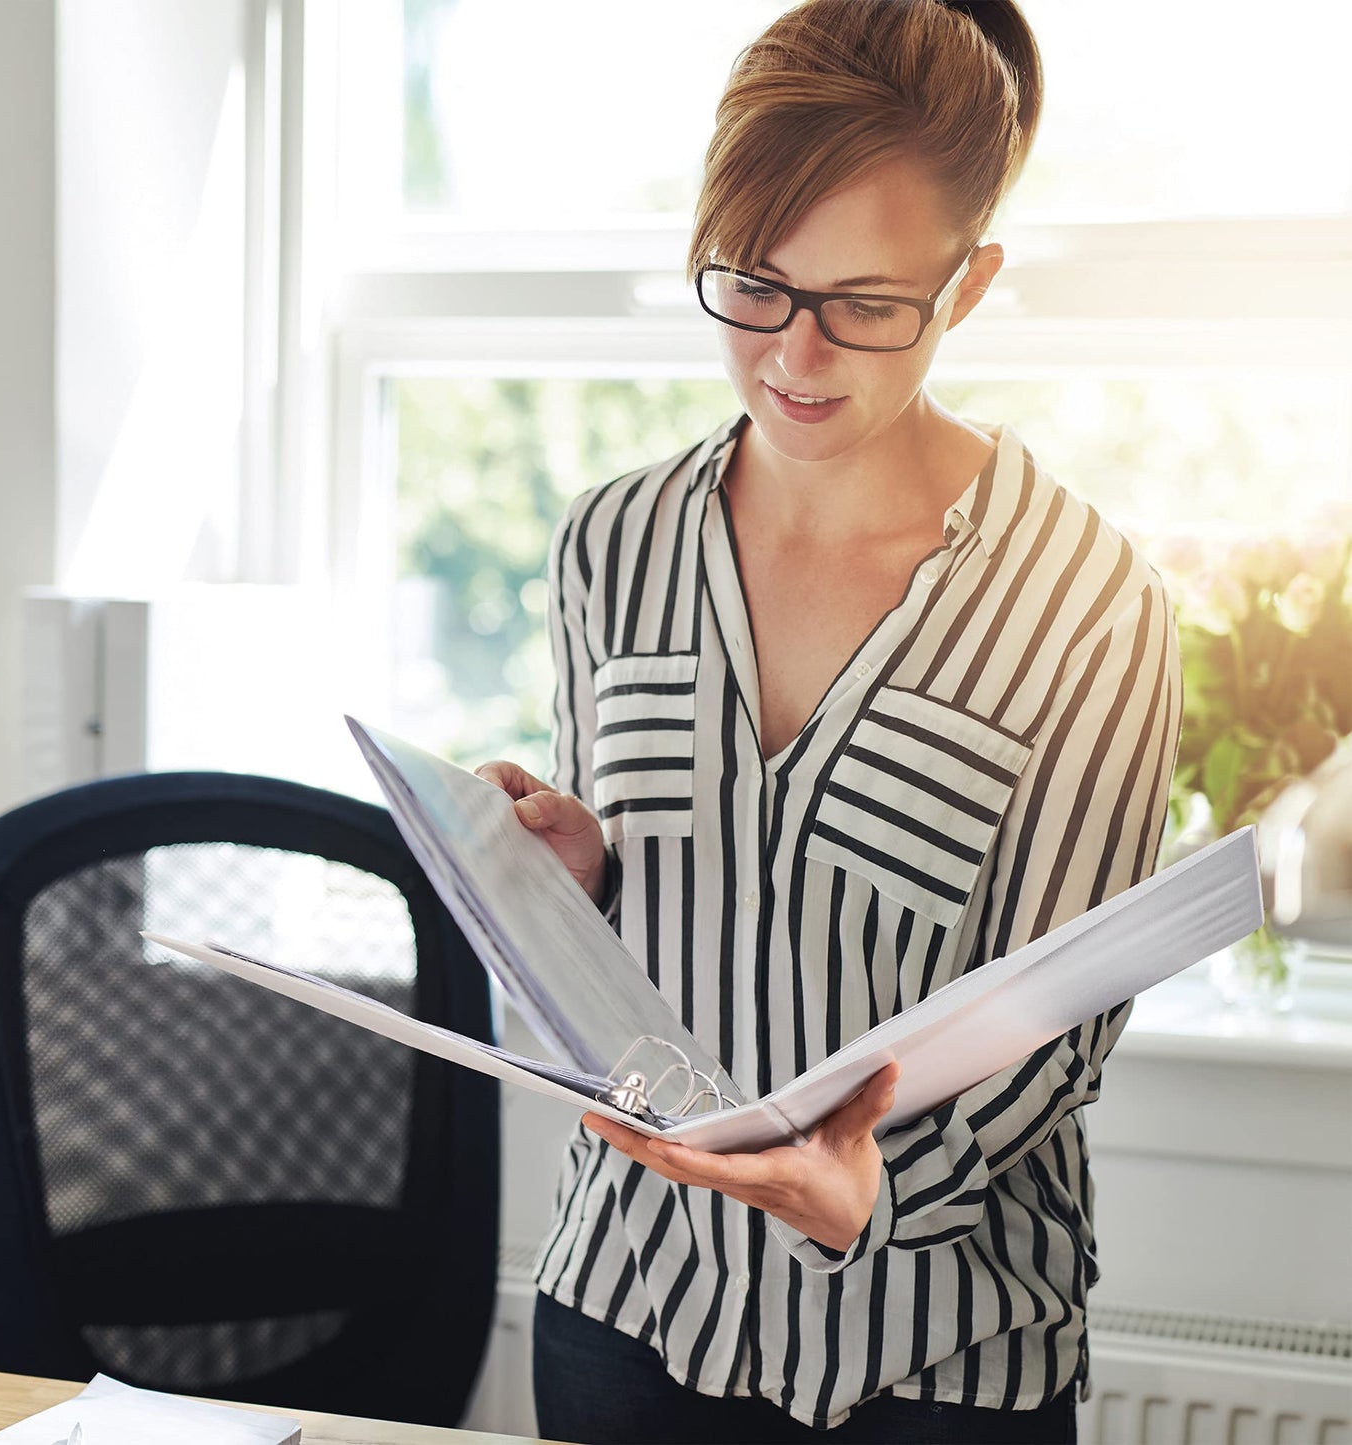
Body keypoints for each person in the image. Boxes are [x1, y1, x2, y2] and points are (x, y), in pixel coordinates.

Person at [477, 2, 1180, 1440]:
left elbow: (1061, 1016)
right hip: (628, 1309)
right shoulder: (612, 544)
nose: (794, 353)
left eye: (864, 302)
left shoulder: (1087, 597)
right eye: (753, 284)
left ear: (967, 286)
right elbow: (645, 924)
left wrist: (864, 1186)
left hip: (935, 1358)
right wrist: (569, 881)